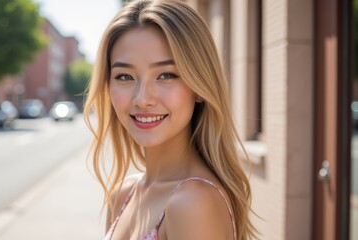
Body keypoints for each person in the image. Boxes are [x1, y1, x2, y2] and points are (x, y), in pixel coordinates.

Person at [84, 0, 256, 239]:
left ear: (199, 86)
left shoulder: (193, 203)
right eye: (124, 76)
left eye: (166, 75)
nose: (142, 99)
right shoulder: (124, 195)